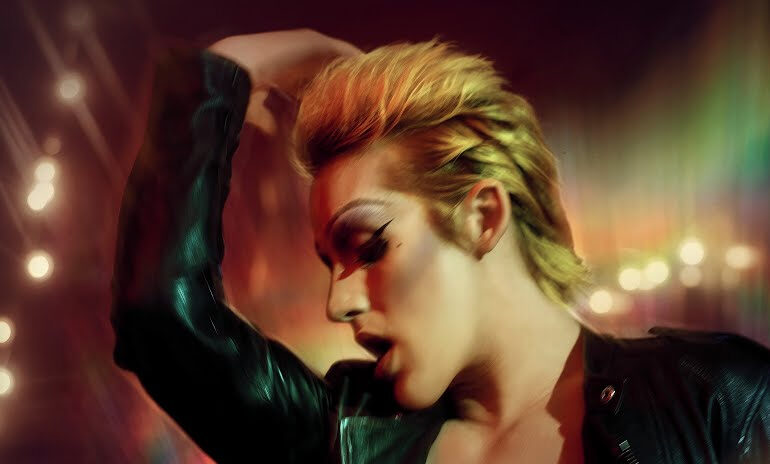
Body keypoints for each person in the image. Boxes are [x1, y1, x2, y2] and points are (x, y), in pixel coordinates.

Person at [111, 29, 770, 463]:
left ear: (483, 216)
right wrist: (229, 69)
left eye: (369, 247)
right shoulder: (344, 435)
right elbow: (161, 313)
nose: (338, 303)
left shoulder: (717, 400)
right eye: (331, 263)